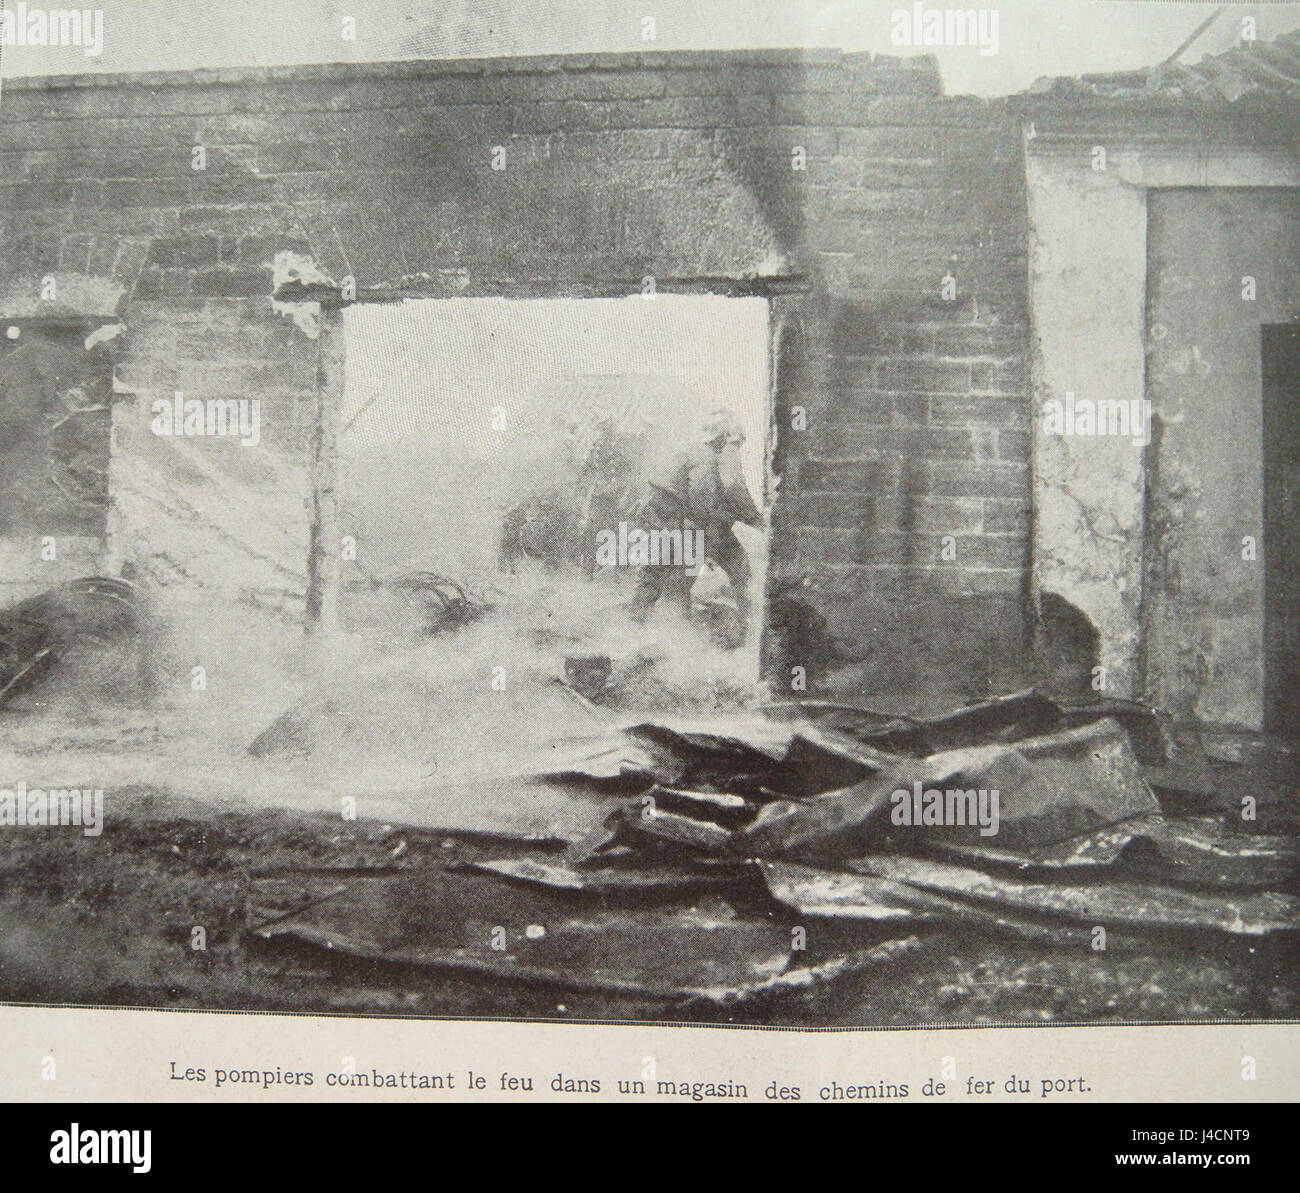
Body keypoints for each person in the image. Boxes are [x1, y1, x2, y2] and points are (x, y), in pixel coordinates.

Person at [629, 410, 763, 639]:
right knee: (679, 577)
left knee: (657, 573)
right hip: (673, 519)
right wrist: (750, 519)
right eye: (732, 442)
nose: (734, 448)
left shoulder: (693, 451)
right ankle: (674, 637)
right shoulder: (708, 458)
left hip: (661, 515)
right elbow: (702, 501)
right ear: (721, 438)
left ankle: (636, 626)